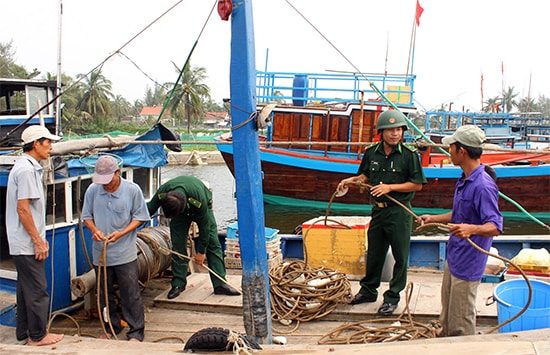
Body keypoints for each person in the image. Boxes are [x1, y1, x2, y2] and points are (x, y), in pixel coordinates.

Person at [337, 110, 427, 316]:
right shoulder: (372, 153)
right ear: (381, 132)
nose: (395, 134)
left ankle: (392, 296)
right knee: (375, 254)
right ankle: (368, 290)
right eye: (390, 130)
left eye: (398, 130)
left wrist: (389, 187)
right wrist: (351, 181)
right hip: (378, 212)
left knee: (400, 257)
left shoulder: (410, 155)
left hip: (399, 213)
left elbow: (417, 185)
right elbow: (366, 176)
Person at [417, 125, 503, 336]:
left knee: (461, 324)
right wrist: (433, 218)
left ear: (462, 151)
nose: (449, 152)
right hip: (454, 257)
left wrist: (470, 229)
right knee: (447, 316)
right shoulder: (464, 178)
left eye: (451, 148)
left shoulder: (483, 185)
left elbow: (495, 226)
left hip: (468, 264)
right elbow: (460, 213)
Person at [81, 155, 150, 342]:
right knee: (103, 294)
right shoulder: (93, 190)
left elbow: (140, 217)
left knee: (131, 293)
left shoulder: (132, 190)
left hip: (125, 253)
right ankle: (111, 326)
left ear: (118, 173)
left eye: (108, 180)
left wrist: (121, 233)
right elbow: (86, 216)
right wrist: (94, 230)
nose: (105, 185)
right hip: (101, 255)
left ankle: (136, 331)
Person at [6, 125, 64, 346]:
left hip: (22, 243)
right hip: (27, 244)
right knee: (38, 290)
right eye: (47, 142)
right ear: (36, 144)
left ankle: (24, 332)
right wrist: (38, 241)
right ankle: (38, 335)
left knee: (25, 289)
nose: (51, 146)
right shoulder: (27, 171)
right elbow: (23, 209)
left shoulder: (25, 167)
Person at [147, 176, 239, 299]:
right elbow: (148, 210)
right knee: (178, 245)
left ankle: (219, 284)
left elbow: (204, 229)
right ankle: (178, 284)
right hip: (179, 213)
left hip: (200, 209)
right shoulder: (162, 194)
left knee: (213, 244)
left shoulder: (198, 201)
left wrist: (201, 252)